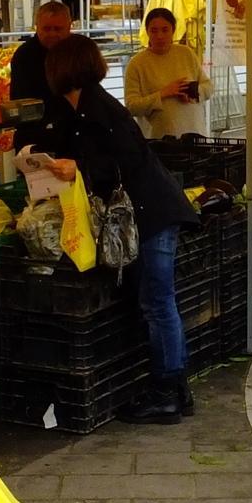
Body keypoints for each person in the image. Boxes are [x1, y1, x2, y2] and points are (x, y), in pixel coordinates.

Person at [41, 33, 199, 424]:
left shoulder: (99, 107)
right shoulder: (79, 108)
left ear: (64, 68)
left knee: (158, 303)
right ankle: (177, 391)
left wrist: (78, 168)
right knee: (156, 302)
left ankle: (167, 392)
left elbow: (127, 160)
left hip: (153, 212)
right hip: (144, 212)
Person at [123, 7, 212, 138]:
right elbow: (132, 106)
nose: (160, 36)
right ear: (147, 31)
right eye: (154, 30)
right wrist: (163, 93)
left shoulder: (186, 53)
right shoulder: (136, 64)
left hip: (194, 134)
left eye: (165, 30)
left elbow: (208, 87)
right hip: (158, 140)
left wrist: (193, 93)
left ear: (173, 30)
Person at [8, 1, 72, 148]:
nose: (52, 34)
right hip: (36, 134)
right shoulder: (24, 56)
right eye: (46, 29)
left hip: (74, 131)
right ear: (37, 27)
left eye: (58, 29)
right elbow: (21, 101)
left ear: (69, 27)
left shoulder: (78, 51)